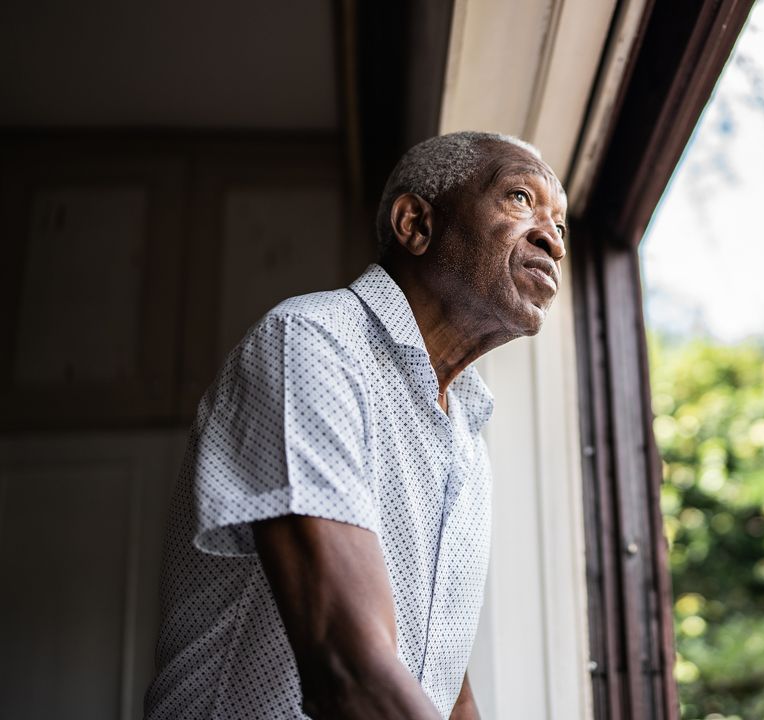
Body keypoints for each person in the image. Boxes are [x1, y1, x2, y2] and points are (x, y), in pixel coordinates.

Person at [144, 131, 568, 719]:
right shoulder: (313, 342)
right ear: (415, 223)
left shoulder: (468, 428)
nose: (553, 240)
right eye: (521, 198)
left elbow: (441, 675)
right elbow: (348, 669)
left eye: (562, 226)